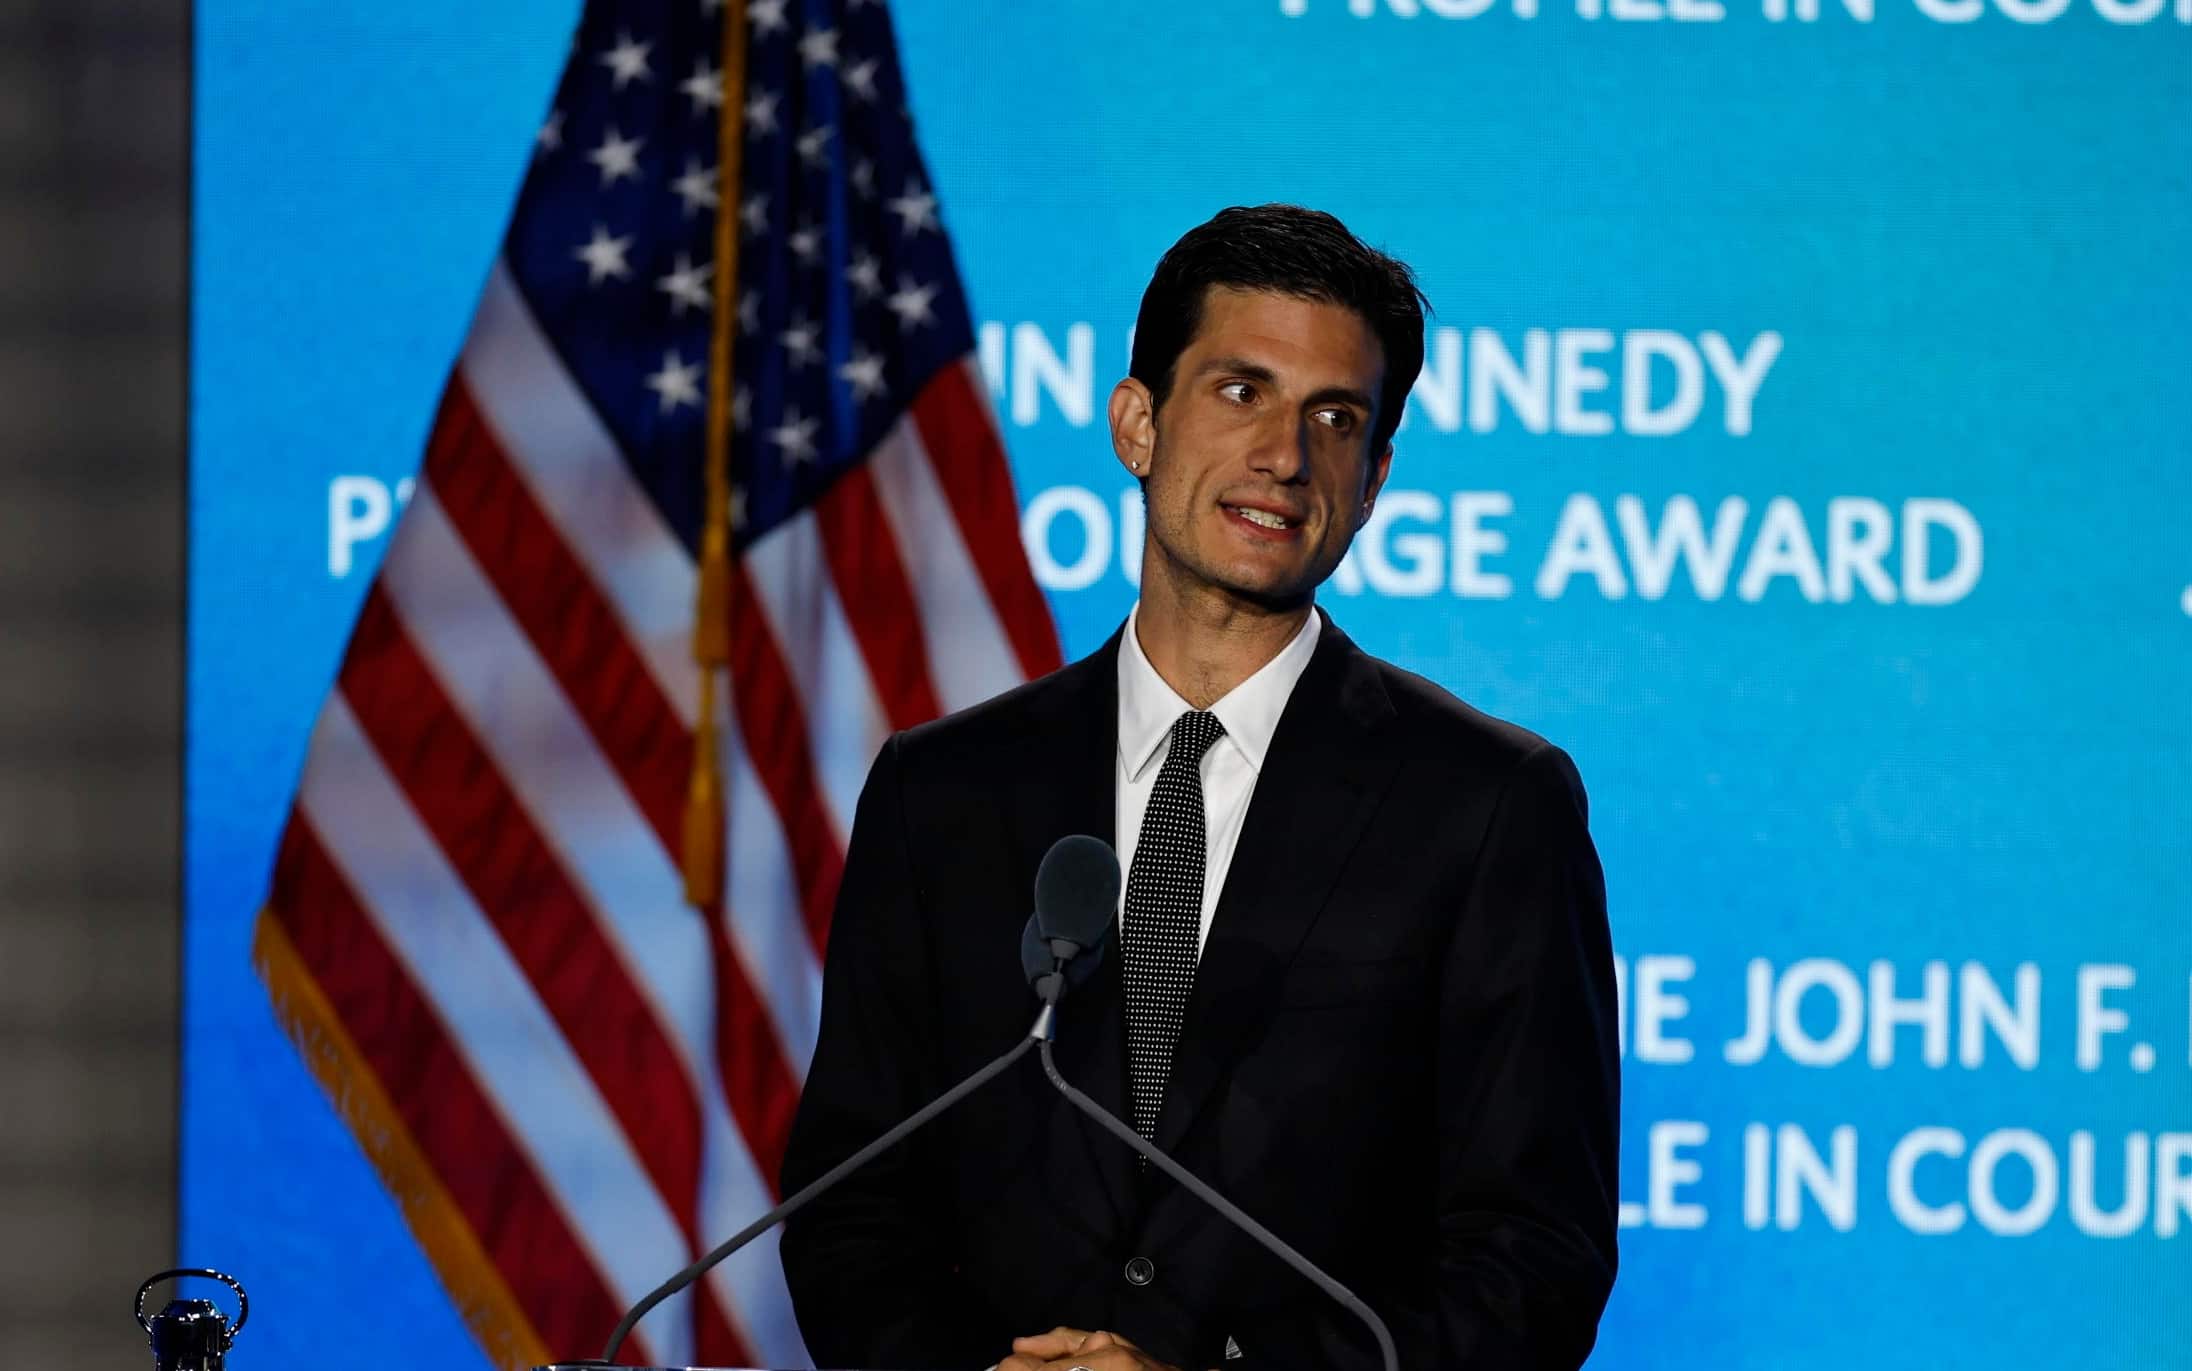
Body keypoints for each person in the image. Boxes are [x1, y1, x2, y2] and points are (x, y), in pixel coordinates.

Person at [778, 204, 1619, 1371]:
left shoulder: (1487, 807)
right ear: (1136, 423)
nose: (1283, 455)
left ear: (1372, 477)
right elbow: (848, 1203)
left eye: (1333, 419)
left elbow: (1532, 1254)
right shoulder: (942, 795)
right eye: (1239, 392)